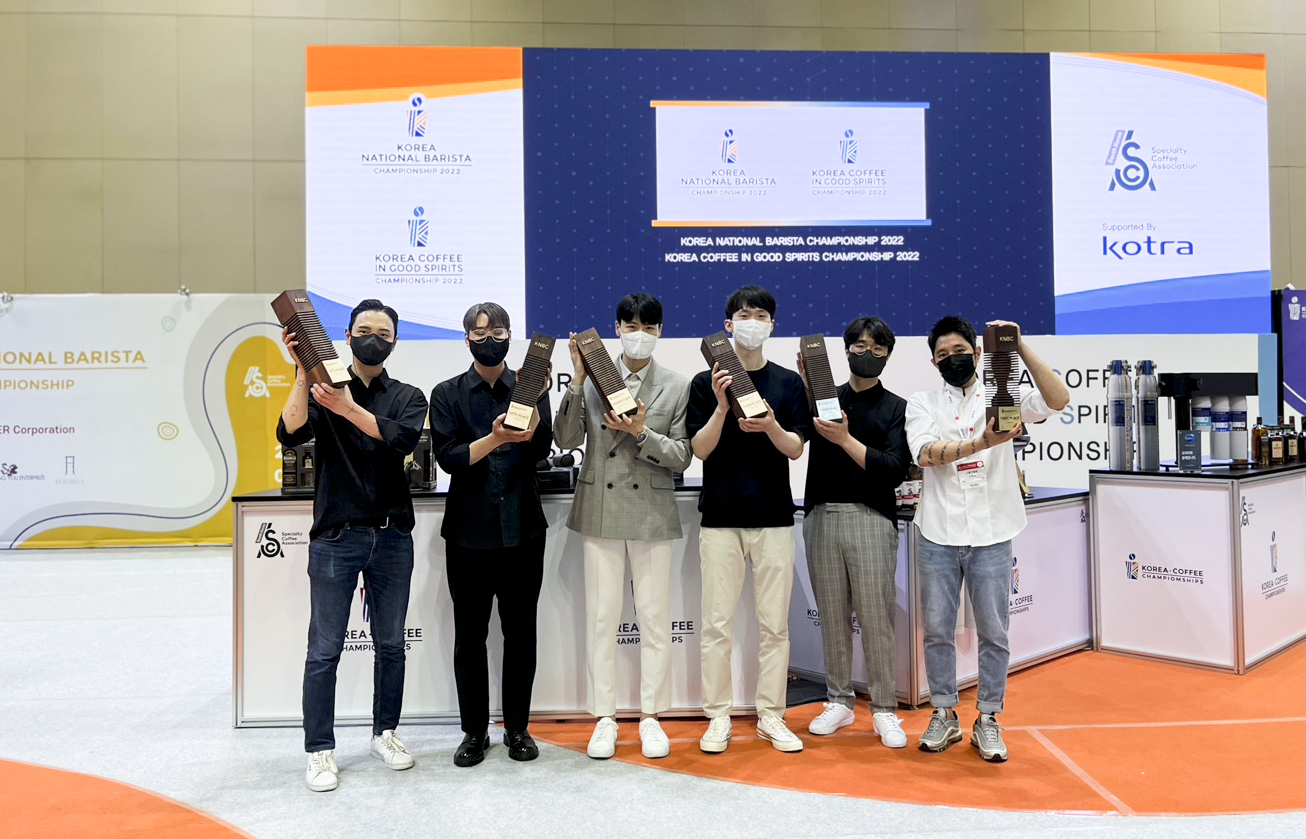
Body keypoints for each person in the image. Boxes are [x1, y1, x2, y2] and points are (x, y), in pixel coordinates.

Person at [276, 298, 429, 793]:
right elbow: (290, 432)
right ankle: (319, 749)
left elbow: (401, 440)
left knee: (391, 644)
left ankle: (385, 733)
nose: (373, 339)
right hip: (336, 538)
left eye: (383, 333)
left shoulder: (408, 396)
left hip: (391, 536)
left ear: (395, 342)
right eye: (364, 330)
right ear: (346, 334)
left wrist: (347, 408)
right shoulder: (324, 388)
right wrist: (303, 372)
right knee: (324, 649)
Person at [905, 316, 1068, 762]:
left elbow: (1058, 399)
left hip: (993, 531)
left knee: (994, 631)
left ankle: (989, 718)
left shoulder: (1003, 397)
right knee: (937, 629)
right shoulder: (923, 403)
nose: (951, 360)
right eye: (942, 355)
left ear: (978, 353)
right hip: (938, 531)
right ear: (934, 362)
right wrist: (983, 443)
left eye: (959, 351)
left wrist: (1019, 345)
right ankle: (943, 712)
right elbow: (925, 454)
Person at [554, 293, 693, 760]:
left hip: (652, 507)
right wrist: (577, 379)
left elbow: (682, 455)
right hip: (601, 506)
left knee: (655, 618)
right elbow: (565, 439)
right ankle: (605, 717)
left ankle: (652, 716)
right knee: (602, 618)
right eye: (631, 326)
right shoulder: (593, 380)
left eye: (648, 327)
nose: (639, 334)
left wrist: (640, 433)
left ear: (660, 331)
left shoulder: (676, 384)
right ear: (616, 328)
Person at [686, 284, 812, 753]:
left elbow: (795, 448)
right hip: (720, 517)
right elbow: (699, 449)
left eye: (760, 315)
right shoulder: (705, 382)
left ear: (772, 325)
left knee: (775, 626)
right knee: (715, 625)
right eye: (743, 315)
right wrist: (722, 407)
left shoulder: (788, 383)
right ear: (728, 325)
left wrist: (772, 425)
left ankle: (771, 715)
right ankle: (717, 716)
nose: (751, 323)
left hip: (774, 517)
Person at [428, 302, 554, 768]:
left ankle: (518, 728)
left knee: (521, 635)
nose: (489, 339)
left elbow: (541, 449)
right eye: (479, 332)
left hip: (524, 530)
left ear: (509, 335)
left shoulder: (529, 385)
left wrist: (536, 403)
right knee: (470, 637)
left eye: (498, 331)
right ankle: (474, 732)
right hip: (469, 534)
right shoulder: (447, 393)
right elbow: (450, 458)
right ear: (466, 338)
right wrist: (496, 438)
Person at [798, 316, 910, 748]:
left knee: (875, 617)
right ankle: (839, 701)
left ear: (888, 354)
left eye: (877, 348)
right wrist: (806, 387)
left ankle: (883, 708)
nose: (868, 354)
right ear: (846, 350)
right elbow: (794, 438)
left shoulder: (897, 407)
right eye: (859, 346)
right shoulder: (823, 398)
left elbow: (894, 469)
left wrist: (845, 439)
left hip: (871, 517)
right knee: (831, 615)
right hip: (822, 515)